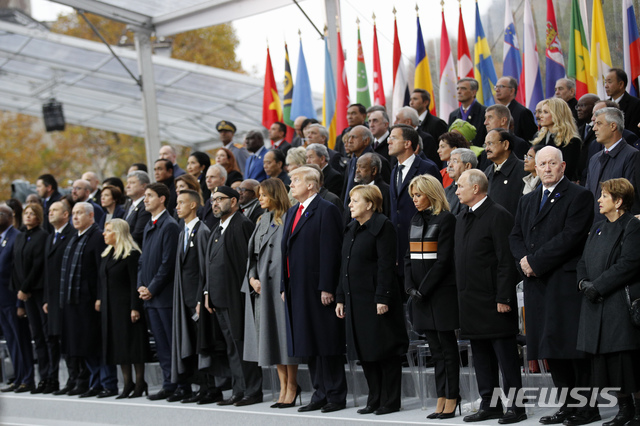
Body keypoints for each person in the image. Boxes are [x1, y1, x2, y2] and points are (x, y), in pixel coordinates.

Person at [509, 146, 595, 426]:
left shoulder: (579, 196)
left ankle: (587, 408)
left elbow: (570, 237)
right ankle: (567, 406)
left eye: (552, 163)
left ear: (563, 166)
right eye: (541, 163)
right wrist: (523, 261)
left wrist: (534, 261)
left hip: (563, 282)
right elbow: (515, 235)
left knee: (571, 348)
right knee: (548, 348)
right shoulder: (528, 200)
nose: (546, 168)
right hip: (537, 283)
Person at [454, 170, 525, 424]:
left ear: (476, 188)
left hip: (495, 300)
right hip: (470, 300)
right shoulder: (462, 216)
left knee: (505, 356)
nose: (456, 190)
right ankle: (490, 404)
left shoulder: (498, 215)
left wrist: (504, 297)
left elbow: (507, 261)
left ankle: (516, 406)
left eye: (460, 185)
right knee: (481, 355)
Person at [335, 185, 407, 416]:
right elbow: (343, 267)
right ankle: (374, 397)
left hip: (376, 299)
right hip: (355, 300)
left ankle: (390, 400)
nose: (350, 205)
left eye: (355, 201)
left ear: (369, 204)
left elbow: (387, 265)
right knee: (365, 351)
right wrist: (340, 298)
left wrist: (383, 297)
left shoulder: (382, 226)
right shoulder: (351, 228)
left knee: (384, 350)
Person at [281, 166, 347, 413]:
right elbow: (286, 251)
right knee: (308, 341)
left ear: (311, 184)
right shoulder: (292, 212)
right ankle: (319, 393)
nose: (291, 185)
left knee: (326, 340)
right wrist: (283, 285)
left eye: (295, 181)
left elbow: (330, 250)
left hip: (318, 287)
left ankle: (335, 394)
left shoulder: (326, 209)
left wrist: (327, 286)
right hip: (296, 286)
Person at [576, 178, 640, 426]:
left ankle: (637, 411)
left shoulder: (632, 227)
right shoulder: (597, 227)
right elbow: (583, 261)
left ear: (619, 201)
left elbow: (629, 264)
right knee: (608, 365)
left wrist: (598, 286)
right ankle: (624, 410)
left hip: (618, 305)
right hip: (595, 304)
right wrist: (583, 283)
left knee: (626, 363)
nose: (599, 200)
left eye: (604, 196)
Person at [242, 178, 303, 409]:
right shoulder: (261, 219)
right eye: (258, 195)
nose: (260, 199)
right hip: (262, 290)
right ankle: (283, 386)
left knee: (284, 338)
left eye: (263, 195)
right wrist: (251, 277)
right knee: (271, 339)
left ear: (276, 195)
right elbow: (252, 255)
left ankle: (292, 386)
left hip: (281, 289)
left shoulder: (290, 217)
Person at [405, 175, 460, 419]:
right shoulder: (415, 219)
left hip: (440, 294)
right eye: (413, 196)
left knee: (447, 349)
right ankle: (441, 396)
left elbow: (443, 261)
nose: (415, 200)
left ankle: (453, 397)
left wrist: (423, 290)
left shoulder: (447, 219)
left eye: (418, 194)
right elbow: (408, 258)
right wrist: (410, 288)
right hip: (419, 296)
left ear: (431, 193)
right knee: (435, 351)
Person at [203, 186, 262, 407]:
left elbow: (245, 264)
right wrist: (208, 293)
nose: (215, 203)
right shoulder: (217, 228)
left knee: (242, 344)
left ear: (234, 202)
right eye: (212, 200)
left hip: (237, 298)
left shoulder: (242, 224)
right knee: (231, 347)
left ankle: (252, 390)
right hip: (219, 298)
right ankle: (239, 390)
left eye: (220, 199)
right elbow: (210, 264)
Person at [60, 202, 118, 398]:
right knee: (84, 344)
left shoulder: (96, 237)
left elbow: (102, 271)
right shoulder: (74, 238)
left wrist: (101, 297)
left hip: (92, 302)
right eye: (73, 213)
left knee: (97, 344)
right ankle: (94, 383)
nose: (75, 217)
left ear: (91, 216)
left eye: (79, 213)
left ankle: (107, 383)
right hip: (75, 301)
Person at [137, 183, 182, 401]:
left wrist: (152, 288)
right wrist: (141, 285)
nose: (145, 199)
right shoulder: (149, 224)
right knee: (162, 345)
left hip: (164, 297)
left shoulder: (169, 225)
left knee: (172, 343)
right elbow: (143, 260)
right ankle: (168, 384)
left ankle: (181, 384)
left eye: (149, 196)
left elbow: (168, 263)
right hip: (150, 297)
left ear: (162, 199)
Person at [97, 219, 150, 399]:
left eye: (109, 230)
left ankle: (140, 381)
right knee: (119, 346)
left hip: (127, 307)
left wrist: (135, 307)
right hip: (111, 308)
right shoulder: (107, 254)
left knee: (133, 345)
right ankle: (127, 383)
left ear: (118, 233)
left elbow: (135, 282)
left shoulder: (131, 254)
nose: (104, 234)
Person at [10, 204, 50, 393]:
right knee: (36, 336)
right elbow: (16, 264)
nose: (28, 216)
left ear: (39, 218)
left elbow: (37, 264)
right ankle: (41, 377)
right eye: (26, 213)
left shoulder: (42, 236)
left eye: (32, 214)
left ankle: (50, 376)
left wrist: (25, 288)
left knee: (45, 333)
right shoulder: (20, 236)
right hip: (25, 293)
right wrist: (20, 289)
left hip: (38, 291)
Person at [43, 201, 81, 396]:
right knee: (56, 339)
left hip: (67, 297)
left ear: (66, 214)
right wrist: (46, 299)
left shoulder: (72, 236)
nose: (50, 213)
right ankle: (65, 378)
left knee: (69, 339)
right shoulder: (51, 238)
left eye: (55, 210)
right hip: (53, 298)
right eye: (49, 211)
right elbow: (47, 272)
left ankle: (76, 378)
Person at [0, 204, 34, 393]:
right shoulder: (1, 240)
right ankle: (18, 376)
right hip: (1, 300)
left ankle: (27, 378)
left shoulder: (16, 237)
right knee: (11, 340)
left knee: (21, 339)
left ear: (9, 216)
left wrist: (20, 302)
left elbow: (19, 271)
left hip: (13, 298)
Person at [585, 108, 640, 222]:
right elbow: (588, 196)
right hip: (596, 229)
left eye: (599, 123)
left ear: (613, 126)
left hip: (620, 229)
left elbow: (631, 199)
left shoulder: (632, 156)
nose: (594, 128)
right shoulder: (594, 159)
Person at [531, 98, 582, 182]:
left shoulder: (571, 141)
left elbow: (567, 172)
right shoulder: (538, 137)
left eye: (545, 112)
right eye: (541, 112)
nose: (540, 116)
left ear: (557, 114)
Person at [484, 129, 528, 217]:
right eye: (485, 145)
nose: (486, 149)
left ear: (505, 144)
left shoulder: (524, 170)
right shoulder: (487, 172)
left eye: (490, 144)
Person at [494, 76, 538, 142]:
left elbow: (531, 140)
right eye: (496, 87)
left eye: (501, 86)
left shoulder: (523, 112)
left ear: (512, 91)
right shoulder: (495, 111)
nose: (497, 90)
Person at [448, 77, 488, 147]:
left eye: (463, 88)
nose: (459, 92)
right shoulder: (453, 115)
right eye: (458, 88)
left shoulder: (485, 112)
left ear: (473, 92)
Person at [604, 68, 640, 137]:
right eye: (605, 82)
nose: (606, 86)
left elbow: (633, 133)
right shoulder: (605, 105)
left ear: (621, 84)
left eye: (609, 82)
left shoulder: (635, 104)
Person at [446, 148, 478, 215]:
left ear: (467, 166)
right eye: (449, 162)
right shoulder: (445, 191)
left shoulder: (475, 191)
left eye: (455, 161)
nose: (450, 165)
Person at [124, 170, 151, 247]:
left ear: (144, 186)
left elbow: (137, 235)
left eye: (132, 183)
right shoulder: (129, 204)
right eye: (127, 183)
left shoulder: (146, 206)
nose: (127, 186)